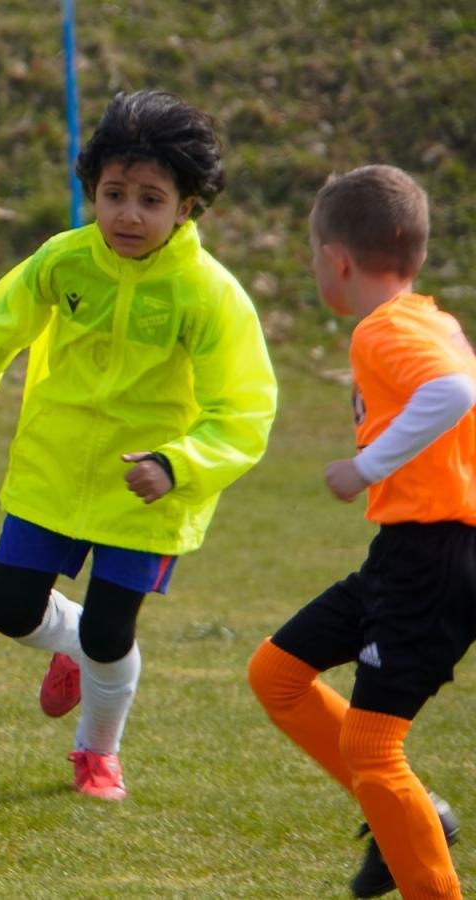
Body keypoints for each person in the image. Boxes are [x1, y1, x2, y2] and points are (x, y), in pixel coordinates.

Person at [0, 90, 278, 800]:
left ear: (186, 207)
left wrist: (178, 463)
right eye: (114, 193)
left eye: (151, 199)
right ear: (91, 188)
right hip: (54, 472)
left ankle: (98, 753)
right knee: (8, 609)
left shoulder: (208, 295)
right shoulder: (65, 260)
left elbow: (244, 408)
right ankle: (79, 649)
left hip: (146, 494)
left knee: (110, 633)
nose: (128, 214)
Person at [248, 165, 470, 899]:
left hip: (432, 557)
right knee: (277, 674)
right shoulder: (427, 318)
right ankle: (413, 815)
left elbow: (455, 392)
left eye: (314, 253)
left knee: (375, 749)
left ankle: (418, 853)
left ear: (337, 260)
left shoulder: (386, 330)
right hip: (408, 553)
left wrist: (365, 464)